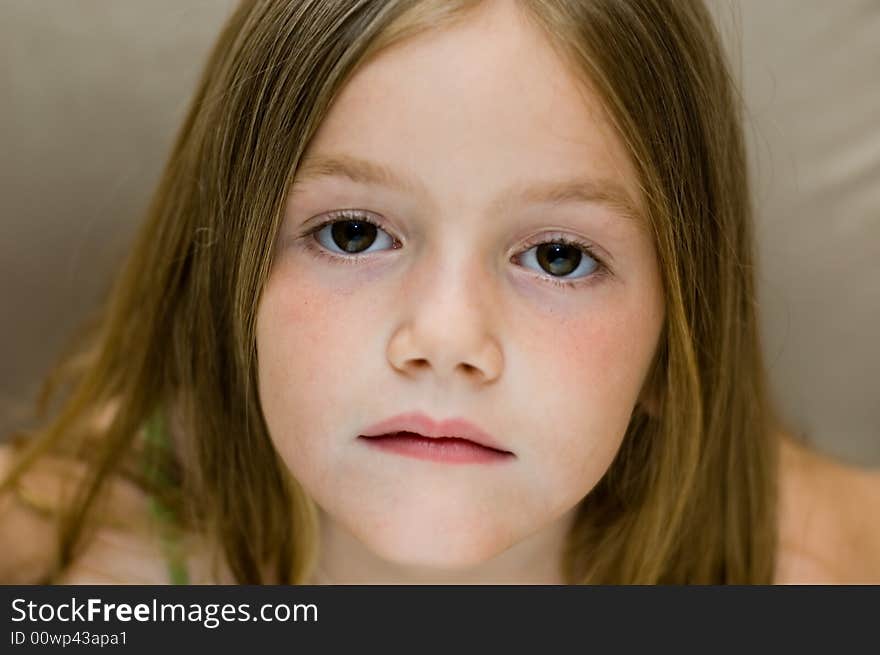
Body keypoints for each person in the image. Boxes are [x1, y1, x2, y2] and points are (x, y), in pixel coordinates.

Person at [1, 0, 878, 585]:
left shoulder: (800, 559)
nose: (448, 335)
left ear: (675, 343)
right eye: (352, 233)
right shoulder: (94, 539)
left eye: (562, 256)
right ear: (231, 291)